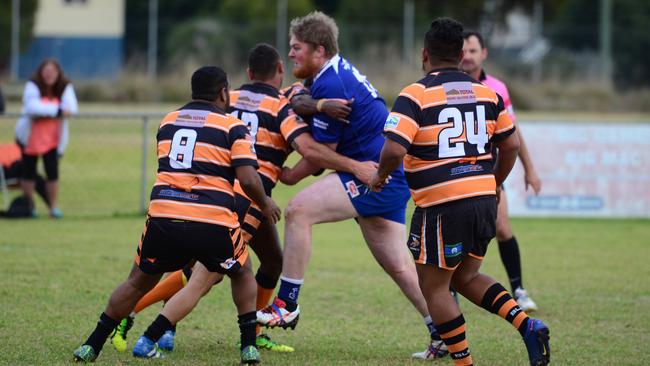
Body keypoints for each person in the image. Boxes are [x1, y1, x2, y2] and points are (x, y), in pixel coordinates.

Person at [107, 44, 369, 355]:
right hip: (248, 197)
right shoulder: (281, 106)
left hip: (233, 194)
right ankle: (134, 315)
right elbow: (309, 149)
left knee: (272, 261)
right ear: (280, 70)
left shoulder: (229, 99)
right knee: (207, 273)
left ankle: (254, 331)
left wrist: (318, 104)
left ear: (247, 74)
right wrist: (323, 165)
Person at [256, 12, 448, 360]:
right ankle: (445, 332)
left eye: (297, 48)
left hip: (375, 175)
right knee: (399, 267)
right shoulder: (329, 75)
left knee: (298, 210)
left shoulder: (331, 84)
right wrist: (308, 103)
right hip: (388, 174)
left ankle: (287, 303)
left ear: (319, 49)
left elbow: (319, 157)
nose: (292, 55)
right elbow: (299, 97)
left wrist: (288, 176)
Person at [370, 18, 550, 366]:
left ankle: (464, 363)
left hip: (442, 206)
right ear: (459, 55)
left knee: (434, 287)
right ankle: (528, 326)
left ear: (425, 54)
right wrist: (495, 182)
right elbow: (510, 145)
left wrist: (380, 176)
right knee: (466, 277)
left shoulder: (415, 94)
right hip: (483, 202)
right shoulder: (488, 94)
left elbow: (393, 150)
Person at [72, 66, 282, 365]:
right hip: (212, 220)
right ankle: (248, 346)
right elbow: (248, 179)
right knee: (242, 272)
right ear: (224, 92)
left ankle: (91, 344)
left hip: (164, 216)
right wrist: (265, 203)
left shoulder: (167, 120)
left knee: (136, 282)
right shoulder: (233, 126)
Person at [461, 30, 541, 311]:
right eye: (463, 51)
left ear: (484, 53)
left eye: (472, 50)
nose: (467, 56)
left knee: (502, 227)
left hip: (489, 171)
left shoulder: (497, 88)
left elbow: (512, 132)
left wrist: (529, 169)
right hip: (456, 172)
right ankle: (450, 290)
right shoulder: (449, 86)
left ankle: (518, 289)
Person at [15, 59, 78, 218]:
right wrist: (56, 110)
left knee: (52, 173)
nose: (49, 74)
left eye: (52, 71)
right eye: (46, 71)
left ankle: (53, 208)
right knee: (28, 172)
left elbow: (71, 108)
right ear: (41, 72)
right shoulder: (33, 85)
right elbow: (32, 107)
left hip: (53, 140)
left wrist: (45, 112)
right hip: (30, 139)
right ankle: (29, 206)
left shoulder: (64, 86)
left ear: (58, 73)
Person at [0, 142, 50, 217]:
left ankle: (32, 207)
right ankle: (51, 206)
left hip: (11, 172)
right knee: (27, 169)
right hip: (4, 175)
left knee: (27, 169)